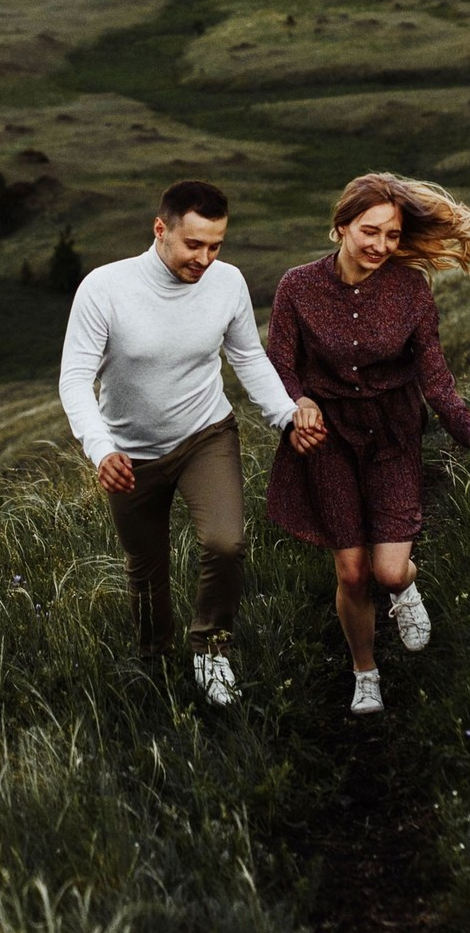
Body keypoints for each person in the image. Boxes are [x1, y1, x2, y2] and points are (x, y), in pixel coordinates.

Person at [266, 172, 470, 715]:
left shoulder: (411, 288)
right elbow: (279, 367)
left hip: (392, 435)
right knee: (352, 571)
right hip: (328, 441)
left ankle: (406, 591)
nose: (381, 246)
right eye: (370, 232)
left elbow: (435, 378)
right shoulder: (297, 287)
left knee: (388, 571)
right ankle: (365, 669)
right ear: (340, 227)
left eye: (392, 236)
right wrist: (298, 405)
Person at [56, 178, 326, 707]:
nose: (204, 258)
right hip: (130, 453)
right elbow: (74, 379)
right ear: (161, 230)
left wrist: (287, 417)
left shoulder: (226, 284)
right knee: (145, 568)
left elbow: (248, 358)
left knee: (226, 543)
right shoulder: (104, 289)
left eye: (216, 245)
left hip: (206, 435)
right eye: (193, 244)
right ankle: (155, 663)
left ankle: (211, 649)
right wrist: (101, 449)